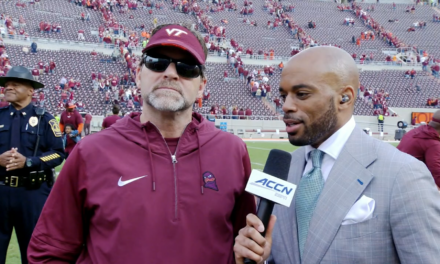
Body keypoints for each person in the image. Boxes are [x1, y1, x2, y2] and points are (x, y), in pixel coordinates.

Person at [28, 23, 256, 263]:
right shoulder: (91, 152)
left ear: (201, 86)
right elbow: (49, 251)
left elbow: (246, 244)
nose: (170, 73)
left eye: (187, 68)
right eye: (157, 62)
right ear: (138, 75)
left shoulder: (232, 151)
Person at [234, 46, 440, 264]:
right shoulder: (285, 170)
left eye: (301, 94)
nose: (286, 106)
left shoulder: (404, 174)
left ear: (345, 97)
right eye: (283, 95)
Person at [0, 66, 65, 264]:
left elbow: (58, 153)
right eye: (6, 85)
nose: (8, 88)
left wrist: (29, 162)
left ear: (30, 90)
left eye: (15, 84)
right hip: (1, 191)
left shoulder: (45, 119)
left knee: (32, 251)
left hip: (32, 193)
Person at [397, 111, 440, 189]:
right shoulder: (432, 142)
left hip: (396, 176)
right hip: (406, 184)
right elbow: (437, 174)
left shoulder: (416, 131)